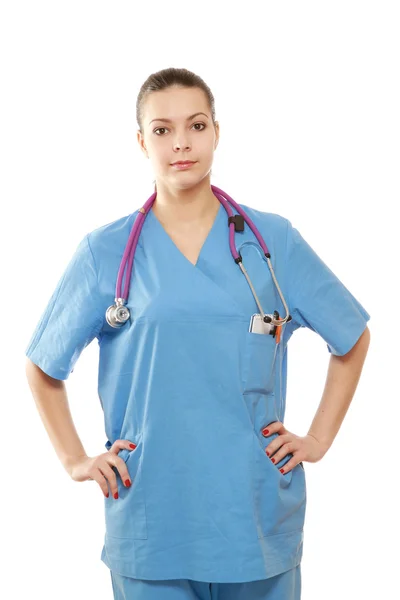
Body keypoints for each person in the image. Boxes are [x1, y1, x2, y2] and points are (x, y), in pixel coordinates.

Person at [25, 67, 371, 600]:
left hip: (254, 517)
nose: (181, 143)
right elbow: (44, 365)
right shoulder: (105, 252)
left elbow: (351, 338)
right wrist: (75, 459)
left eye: (197, 125)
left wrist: (319, 438)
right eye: (162, 130)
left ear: (216, 132)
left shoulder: (272, 241)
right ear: (141, 142)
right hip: (150, 516)